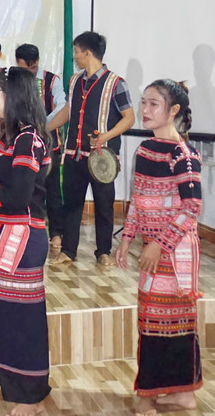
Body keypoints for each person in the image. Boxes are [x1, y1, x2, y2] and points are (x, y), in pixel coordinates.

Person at [0, 67, 52, 416]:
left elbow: (17, 195)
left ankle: (29, 395)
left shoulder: (29, 139)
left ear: (15, 97)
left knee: (21, 316)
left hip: (22, 236)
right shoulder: (7, 136)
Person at [115, 80, 202, 416]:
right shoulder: (145, 150)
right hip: (153, 248)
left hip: (175, 253)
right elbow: (138, 199)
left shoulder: (184, 154)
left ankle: (157, 395)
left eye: (154, 104)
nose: (145, 110)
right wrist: (127, 238)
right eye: (144, 103)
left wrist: (159, 245)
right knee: (151, 320)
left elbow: (191, 207)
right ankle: (170, 392)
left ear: (173, 111)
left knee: (175, 322)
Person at [47, 31, 136, 269]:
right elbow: (68, 110)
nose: (75, 57)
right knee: (72, 205)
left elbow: (129, 118)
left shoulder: (116, 83)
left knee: (104, 206)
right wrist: (45, 127)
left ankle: (103, 252)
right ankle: (68, 251)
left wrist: (105, 136)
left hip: (101, 160)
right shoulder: (75, 80)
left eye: (76, 52)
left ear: (87, 53)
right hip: (74, 155)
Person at [15, 44, 66, 259]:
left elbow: (64, 107)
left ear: (36, 62)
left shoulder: (52, 80)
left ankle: (56, 233)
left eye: (30, 68)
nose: (27, 71)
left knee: (52, 190)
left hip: (48, 143)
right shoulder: (15, 79)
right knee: (26, 189)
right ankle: (24, 231)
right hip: (22, 144)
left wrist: (42, 125)